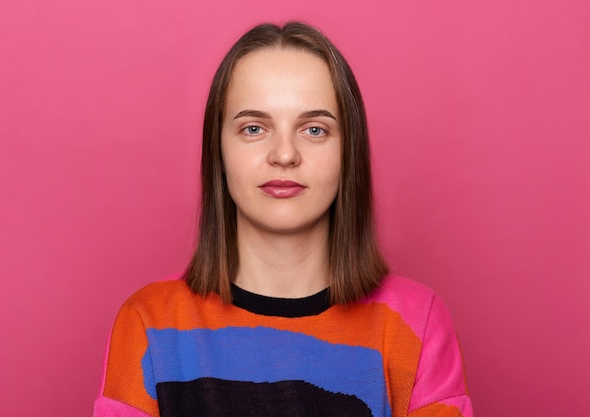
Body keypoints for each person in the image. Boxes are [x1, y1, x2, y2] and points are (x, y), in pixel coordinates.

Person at [93, 22, 473, 417]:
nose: (285, 154)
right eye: (254, 128)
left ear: (349, 154)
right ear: (218, 152)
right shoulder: (149, 324)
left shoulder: (416, 323)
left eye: (314, 129)